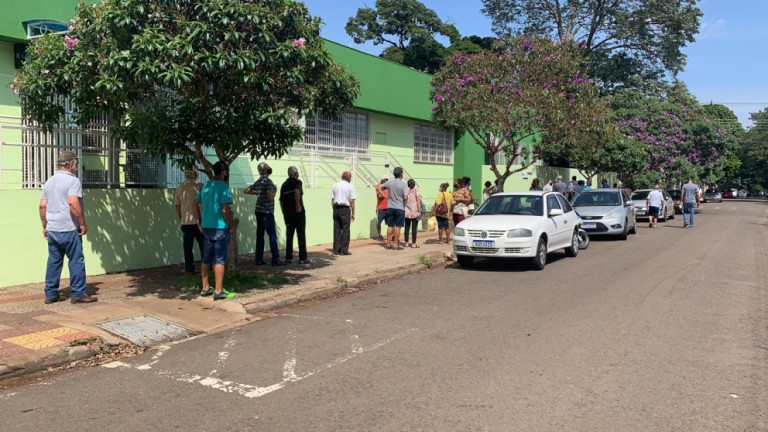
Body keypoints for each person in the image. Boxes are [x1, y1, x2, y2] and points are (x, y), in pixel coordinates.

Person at [38, 151, 96, 304]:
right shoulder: (73, 181)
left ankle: (50, 295)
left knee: (54, 261)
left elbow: (42, 206)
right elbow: (73, 203)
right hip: (69, 228)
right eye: (75, 164)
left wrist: (45, 225)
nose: (76, 167)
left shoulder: (49, 181)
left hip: (53, 229)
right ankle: (78, 294)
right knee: (76, 260)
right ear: (70, 164)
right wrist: (82, 223)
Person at [196, 161, 237, 301]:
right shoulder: (224, 187)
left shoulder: (206, 185)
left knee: (206, 258)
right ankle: (218, 291)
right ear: (224, 172)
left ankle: (205, 287)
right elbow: (225, 209)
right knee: (220, 259)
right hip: (220, 228)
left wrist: (198, 222)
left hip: (207, 227)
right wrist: (232, 225)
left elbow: (195, 203)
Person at [245, 162, 285, 266]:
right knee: (272, 236)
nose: (269, 168)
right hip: (267, 212)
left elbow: (247, 190)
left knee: (260, 236)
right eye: (267, 167)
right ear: (263, 170)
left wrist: (258, 193)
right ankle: (276, 259)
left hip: (259, 212)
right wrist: (275, 191)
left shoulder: (258, 182)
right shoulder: (268, 182)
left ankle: (259, 259)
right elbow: (270, 197)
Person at [175, 169, 204, 274]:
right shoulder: (200, 186)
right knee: (203, 245)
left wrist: (181, 218)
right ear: (195, 174)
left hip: (186, 221)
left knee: (188, 247)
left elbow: (177, 206)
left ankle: (189, 269)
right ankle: (207, 266)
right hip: (199, 221)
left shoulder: (180, 187)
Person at [279, 166, 309, 265]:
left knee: (289, 236)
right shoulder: (298, 182)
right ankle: (302, 258)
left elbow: (281, 201)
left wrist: (284, 213)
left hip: (288, 215)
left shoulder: (284, 185)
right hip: (298, 214)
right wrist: (298, 207)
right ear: (295, 173)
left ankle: (288, 258)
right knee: (301, 235)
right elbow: (297, 192)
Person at [381, 167, 410, 250]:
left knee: (390, 226)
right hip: (400, 208)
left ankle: (388, 244)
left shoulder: (389, 182)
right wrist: (405, 198)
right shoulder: (404, 185)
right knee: (398, 226)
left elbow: (379, 187)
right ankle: (396, 244)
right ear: (401, 174)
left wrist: (386, 196)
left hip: (390, 207)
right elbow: (405, 197)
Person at [331, 171, 357, 255]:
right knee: (346, 229)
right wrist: (353, 213)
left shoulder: (335, 185)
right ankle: (344, 249)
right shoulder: (350, 186)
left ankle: (335, 249)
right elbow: (352, 201)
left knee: (336, 229)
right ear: (348, 177)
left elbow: (332, 199)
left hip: (336, 208)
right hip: (345, 209)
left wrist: (334, 209)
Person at [403, 179, 422, 248]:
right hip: (414, 212)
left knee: (406, 228)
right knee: (414, 228)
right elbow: (418, 202)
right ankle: (414, 244)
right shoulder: (416, 191)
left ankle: (406, 243)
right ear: (414, 185)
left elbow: (403, 200)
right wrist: (420, 210)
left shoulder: (405, 191)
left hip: (407, 212)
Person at [374, 175, 389, 240]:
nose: (386, 181)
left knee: (391, 223)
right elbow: (379, 196)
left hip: (389, 207)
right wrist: (387, 196)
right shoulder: (378, 186)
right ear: (382, 180)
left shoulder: (389, 186)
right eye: (385, 179)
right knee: (378, 222)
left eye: (387, 180)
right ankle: (379, 235)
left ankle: (393, 236)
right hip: (380, 207)